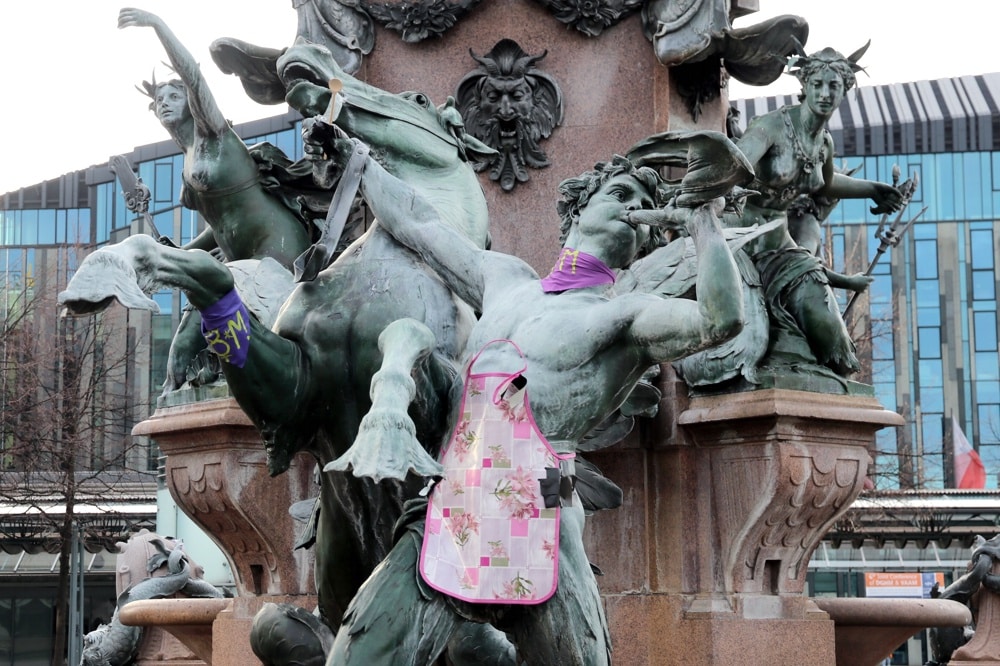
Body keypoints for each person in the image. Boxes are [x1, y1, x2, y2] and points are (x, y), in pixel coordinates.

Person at [320, 137, 747, 664]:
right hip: (452, 510)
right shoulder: (504, 280)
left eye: (641, 202)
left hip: (544, 520)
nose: (631, 207)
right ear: (579, 209)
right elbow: (418, 225)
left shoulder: (626, 316)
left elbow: (719, 319)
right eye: (619, 192)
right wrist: (357, 159)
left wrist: (702, 220)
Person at [119, 8, 317, 391]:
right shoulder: (189, 158)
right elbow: (219, 227)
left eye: (174, 95)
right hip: (237, 260)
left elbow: (193, 74)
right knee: (186, 343)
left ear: (191, 101)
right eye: (159, 99)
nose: (165, 102)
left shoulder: (213, 132)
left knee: (213, 342)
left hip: (276, 251)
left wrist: (158, 25)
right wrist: (174, 253)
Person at [717, 43, 902, 378]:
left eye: (833, 86)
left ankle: (835, 392)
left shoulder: (823, 142)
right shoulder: (772, 127)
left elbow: (826, 184)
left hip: (778, 240)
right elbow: (730, 166)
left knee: (830, 328)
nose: (825, 93)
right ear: (804, 86)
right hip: (738, 237)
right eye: (817, 84)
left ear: (845, 90)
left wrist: (874, 189)